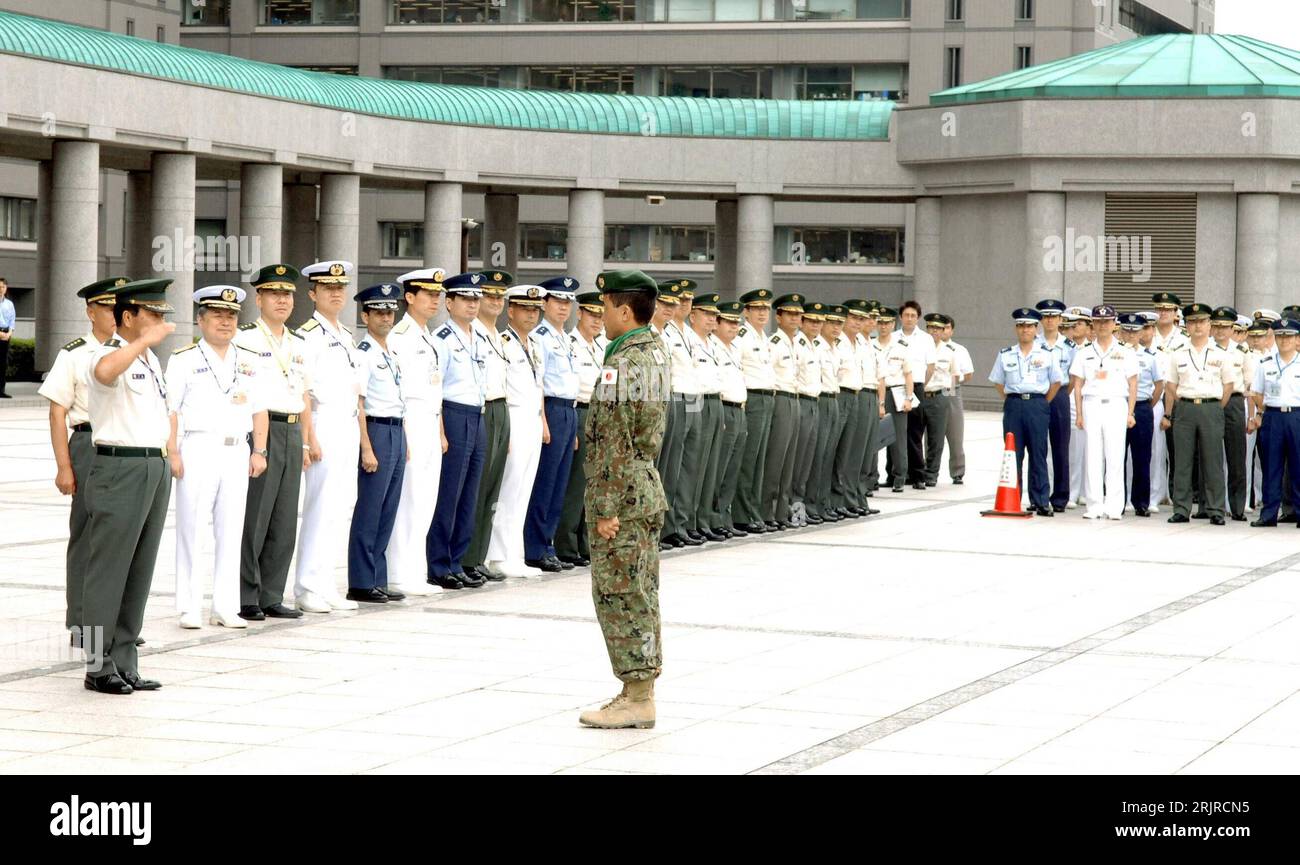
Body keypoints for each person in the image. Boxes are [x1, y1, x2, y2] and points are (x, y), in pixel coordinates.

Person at [577, 269, 668, 730]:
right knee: (641, 591)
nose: (602, 315)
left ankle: (636, 696)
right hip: (645, 488)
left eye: (606, 306)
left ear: (624, 310)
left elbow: (613, 437)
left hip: (623, 496)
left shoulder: (623, 363)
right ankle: (640, 689)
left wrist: (607, 508)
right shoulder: (655, 353)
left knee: (619, 593)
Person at [82, 278, 176, 694]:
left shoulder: (151, 361)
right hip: (120, 469)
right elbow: (105, 373)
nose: (160, 322)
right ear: (127, 317)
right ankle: (96, 665)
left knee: (138, 570)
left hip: (152, 467)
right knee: (108, 571)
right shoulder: (105, 353)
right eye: (152, 314)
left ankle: (124, 660)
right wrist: (142, 343)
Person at [167, 285, 267, 630]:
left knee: (231, 529)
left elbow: (259, 410)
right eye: (217, 315)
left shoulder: (248, 358)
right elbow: (172, 410)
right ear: (201, 320)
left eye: (231, 316)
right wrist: (173, 451)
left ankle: (225, 605)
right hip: (198, 448)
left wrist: (259, 450)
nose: (225, 322)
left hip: (237, 449)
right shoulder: (184, 359)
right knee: (192, 528)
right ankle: (189, 606)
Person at [40, 277, 126, 643]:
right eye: (107, 307)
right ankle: (81, 623)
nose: (115, 314)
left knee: (120, 536)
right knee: (87, 535)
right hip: (89, 443)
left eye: (119, 307)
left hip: (126, 446)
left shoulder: (132, 350)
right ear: (91, 311)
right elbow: (57, 412)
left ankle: (113, 622)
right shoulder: (74, 354)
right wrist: (64, 466)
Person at [234, 264, 317, 614]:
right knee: (256, 516)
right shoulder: (245, 339)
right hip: (261, 430)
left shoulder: (300, 342)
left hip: (292, 429)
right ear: (259, 298)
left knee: (284, 519)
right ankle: (248, 596)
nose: (282, 300)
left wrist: (306, 441)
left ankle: (272, 594)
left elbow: (305, 394)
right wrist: (257, 445)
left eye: (287, 294)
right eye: (274, 293)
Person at [291, 260, 364, 619]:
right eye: (327, 288)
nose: (336, 293)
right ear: (313, 293)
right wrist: (309, 437)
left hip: (347, 424)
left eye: (340, 287)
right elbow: (303, 389)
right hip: (324, 424)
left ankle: (326, 583)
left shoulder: (346, 335)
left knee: (341, 507)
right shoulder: (308, 335)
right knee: (320, 508)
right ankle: (307, 586)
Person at [384, 268, 447, 596]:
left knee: (425, 500)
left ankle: (414, 571)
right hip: (411, 424)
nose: (435, 300)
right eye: (428, 294)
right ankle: (398, 572)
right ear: (409, 297)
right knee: (408, 499)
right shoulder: (400, 338)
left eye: (438, 295)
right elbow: (401, 392)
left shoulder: (428, 337)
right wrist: (407, 435)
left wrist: (439, 430)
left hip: (429, 423)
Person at [347, 284, 407, 603]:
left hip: (396, 431)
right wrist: (366, 447)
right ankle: (360, 580)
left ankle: (377, 578)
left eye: (389, 311)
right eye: (379, 312)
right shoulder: (364, 354)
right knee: (370, 508)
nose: (386, 317)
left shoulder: (391, 352)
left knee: (388, 509)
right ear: (365, 315)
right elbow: (359, 403)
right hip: (376, 431)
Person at [428, 273, 489, 589]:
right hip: (453, 414)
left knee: (470, 494)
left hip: (477, 416)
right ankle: (438, 564)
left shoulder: (479, 337)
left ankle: (457, 560)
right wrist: (440, 430)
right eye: (466, 299)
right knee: (449, 493)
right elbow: (436, 390)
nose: (472, 304)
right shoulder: (442, 339)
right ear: (449, 303)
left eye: (476, 299)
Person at [488, 284, 549, 578]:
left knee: (524, 489)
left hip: (533, 421)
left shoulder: (535, 344)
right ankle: (498, 555)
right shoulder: (503, 343)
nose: (531, 315)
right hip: (514, 420)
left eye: (536, 310)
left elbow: (538, 388)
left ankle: (515, 553)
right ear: (510, 310)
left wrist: (543, 424)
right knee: (509, 489)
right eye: (525, 309)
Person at [525, 277, 582, 570]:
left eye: (567, 302)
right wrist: (544, 421)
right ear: (545, 304)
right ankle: (535, 547)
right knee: (545, 483)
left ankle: (548, 544)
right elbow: (540, 384)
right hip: (552, 410)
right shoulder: (541, 338)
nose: (564, 307)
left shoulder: (566, 337)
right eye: (558, 301)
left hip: (569, 412)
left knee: (560, 484)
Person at [1163, 302, 1232, 526]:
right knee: (1182, 460)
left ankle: (1215, 509)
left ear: (1210, 324)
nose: (1197, 326)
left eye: (1202, 321)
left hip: (1212, 407)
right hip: (1185, 407)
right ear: (1186, 326)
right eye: (1192, 322)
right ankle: (1181, 508)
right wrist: (1183, 399)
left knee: (1212, 460)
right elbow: (1170, 384)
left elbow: (1228, 385)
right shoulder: (1177, 353)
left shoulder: (1221, 354)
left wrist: (1215, 405)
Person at [463, 269, 512, 583]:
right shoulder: (472, 333)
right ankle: (467, 557)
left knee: (493, 489)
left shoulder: (500, 336)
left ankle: (478, 556)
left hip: (502, 407)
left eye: (499, 296)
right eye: (489, 295)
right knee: (476, 489)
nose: (495, 301)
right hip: (483, 409)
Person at [989, 308, 1061, 516]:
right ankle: (1013, 499)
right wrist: (1013, 399)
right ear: (1016, 329)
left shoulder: (1046, 354)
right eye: (1021, 326)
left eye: (1029, 326)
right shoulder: (1005, 354)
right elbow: (998, 382)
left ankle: (1040, 501)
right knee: (1014, 454)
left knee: (1038, 454)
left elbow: (1056, 382)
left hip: (1038, 405)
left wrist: (1042, 402)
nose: (1025, 330)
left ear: (1035, 329)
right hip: (1014, 406)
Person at [1069, 304, 1138, 521]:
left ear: (1114, 323)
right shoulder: (1084, 353)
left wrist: (1130, 413)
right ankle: (1094, 505)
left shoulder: (1125, 352)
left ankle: (1114, 506)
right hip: (1091, 404)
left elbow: (1133, 384)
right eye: (1098, 321)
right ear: (1093, 324)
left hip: (1117, 404)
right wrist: (1079, 414)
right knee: (1093, 456)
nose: (1102, 325)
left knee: (1115, 456)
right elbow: (1078, 385)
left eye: (1106, 321)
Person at [556, 290, 607, 566]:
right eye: (592, 314)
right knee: (576, 484)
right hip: (581, 411)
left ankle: (587, 542)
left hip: (600, 414)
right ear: (581, 314)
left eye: (601, 315)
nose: (597, 320)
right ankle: (566, 543)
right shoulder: (571, 343)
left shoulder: (601, 346)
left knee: (594, 484)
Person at [656, 279, 701, 546]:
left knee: (685, 466)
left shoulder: (688, 334)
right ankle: (663, 527)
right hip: (674, 398)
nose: (678, 306)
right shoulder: (665, 331)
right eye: (672, 302)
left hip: (693, 399)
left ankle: (678, 523)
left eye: (684, 301)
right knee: (666, 465)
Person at [731, 288, 776, 534]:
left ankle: (752, 510)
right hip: (753, 399)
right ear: (745, 312)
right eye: (756, 309)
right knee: (748, 461)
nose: (762, 313)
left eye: (765, 309)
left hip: (767, 398)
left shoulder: (763, 338)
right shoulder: (742, 337)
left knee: (759, 461)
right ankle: (741, 514)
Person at [1250, 318, 1300, 527]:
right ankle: (1268, 514)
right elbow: (1256, 393)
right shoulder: (1266, 363)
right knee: (1271, 467)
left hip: (1296, 416)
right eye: (1280, 336)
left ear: (1297, 339)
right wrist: (1266, 409)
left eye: (1288, 336)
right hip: (1273, 417)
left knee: (1298, 466)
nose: (1284, 340)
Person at [684, 292, 726, 540]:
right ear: (693, 316)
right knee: (693, 466)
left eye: (714, 315)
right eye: (707, 314)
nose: (712, 320)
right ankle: (687, 521)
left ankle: (702, 520)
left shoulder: (715, 344)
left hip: (715, 402)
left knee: (711, 468)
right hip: (695, 402)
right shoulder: (688, 339)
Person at [762, 293, 806, 528]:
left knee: (789, 461)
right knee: (776, 459)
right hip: (781, 400)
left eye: (798, 314)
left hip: (795, 399)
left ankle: (781, 512)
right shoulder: (774, 344)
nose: (795, 318)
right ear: (778, 317)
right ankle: (766, 512)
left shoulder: (796, 343)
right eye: (789, 314)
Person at [1117, 313, 1163, 518]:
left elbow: (1159, 385)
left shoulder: (1149, 357)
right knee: (1116, 456)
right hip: (1118, 406)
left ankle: (1141, 502)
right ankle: (1116, 501)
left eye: (1135, 331)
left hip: (1143, 408)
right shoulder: (1113, 354)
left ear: (1142, 333)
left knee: (1142, 457)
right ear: (1119, 331)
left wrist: (1144, 406)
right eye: (1126, 330)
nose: (1130, 335)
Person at [1210, 306, 1253, 521]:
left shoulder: (1241, 351)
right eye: (1216, 326)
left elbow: (1249, 381)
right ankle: (1211, 506)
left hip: (1234, 402)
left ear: (1232, 328)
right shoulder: (1204, 349)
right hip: (1210, 402)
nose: (1220, 330)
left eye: (1225, 326)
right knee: (1210, 456)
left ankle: (1237, 506)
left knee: (1236, 455)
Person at [711, 300, 749, 536]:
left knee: (733, 468)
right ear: (717, 323)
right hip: (723, 407)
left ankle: (725, 517)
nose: (734, 327)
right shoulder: (712, 347)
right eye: (729, 322)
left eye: (737, 323)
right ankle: (714, 518)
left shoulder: (735, 348)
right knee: (719, 468)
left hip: (739, 408)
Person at [1034, 299, 1074, 510]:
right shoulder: (1033, 342)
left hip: (1060, 396)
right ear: (1041, 319)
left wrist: (1061, 394)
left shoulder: (1069, 346)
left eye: (1054, 316)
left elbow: (1074, 377)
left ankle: (1060, 497)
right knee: (1037, 448)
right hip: (1039, 396)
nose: (1050, 320)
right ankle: (1037, 495)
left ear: (1060, 319)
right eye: (1046, 316)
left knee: (1060, 448)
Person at [828, 299, 865, 518]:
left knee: (848, 452)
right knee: (835, 451)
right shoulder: (837, 341)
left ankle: (842, 498)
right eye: (853, 318)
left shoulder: (859, 342)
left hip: (855, 396)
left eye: (861, 319)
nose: (857, 323)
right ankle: (833, 500)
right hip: (840, 394)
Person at [810, 305, 846, 522]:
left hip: (834, 399)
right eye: (831, 323)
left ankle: (824, 502)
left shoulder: (835, 348)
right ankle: (812, 503)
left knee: (828, 456)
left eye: (839, 323)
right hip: (821, 399)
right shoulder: (817, 346)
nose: (836, 327)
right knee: (818, 456)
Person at [790, 301, 824, 523]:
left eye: (819, 321)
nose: (816, 325)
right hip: (800, 402)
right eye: (811, 320)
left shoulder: (816, 345)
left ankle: (801, 509)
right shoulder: (797, 344)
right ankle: (793, 510)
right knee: (797, 460)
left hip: (814, 402)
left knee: (808, 462)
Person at [874, 307, 914, 494]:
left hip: (896, 393)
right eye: (880, 322)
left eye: (887, 323)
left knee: (898, 438)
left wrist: (908, 398)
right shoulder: (869, 344)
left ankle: (899, 477)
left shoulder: (901, 346)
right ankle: (871, 477)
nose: (883, 326)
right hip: (874, 394)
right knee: (872, 437)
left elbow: (908, 375)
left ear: (893, 324)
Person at [898, 301, 937, 491]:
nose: (910, 318)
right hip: (896, 387)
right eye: (906, 315)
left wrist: (919, 386)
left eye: (913, 315)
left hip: (917, 387)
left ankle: (918, 475)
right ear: (901, 317)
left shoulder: (925, 339)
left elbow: (931, 367)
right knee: (895, 431)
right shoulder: (894, 336)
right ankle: (895, 474)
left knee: (914, 432)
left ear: (918, 317)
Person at [919, 312, 953, 487]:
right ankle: (916, 472)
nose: (934, 331)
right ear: (927, 329)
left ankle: (931, 473)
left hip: (939, 397)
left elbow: (953, 377)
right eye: (931, 327)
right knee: (915, 436)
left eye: (938, 328)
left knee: (936, 438)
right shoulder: (918, 347)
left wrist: (948, 401)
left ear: (943, 331)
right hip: (919, 395)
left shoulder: (949, 351)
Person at [942, 316, 974, 485]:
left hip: (951, 390)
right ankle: (928, 470)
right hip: (929, 392)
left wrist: (953, 380)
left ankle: (957, 472)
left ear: (952, 330)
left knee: (955, 433)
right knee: (929, 435)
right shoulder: (927, 348)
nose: (943, 331)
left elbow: (969, 374)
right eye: (940, 327)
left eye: (946, 327)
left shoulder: (959, 350)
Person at [0, 276, 14, 398]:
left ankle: (1, 390)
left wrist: (9, 334)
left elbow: (12, 321)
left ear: (6, 288)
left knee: (3, 363)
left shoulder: (9, 304)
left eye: (3, 287)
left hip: (6, 335)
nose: (1, 289)